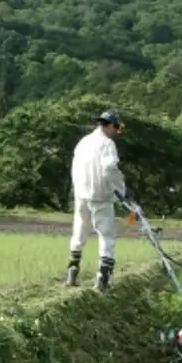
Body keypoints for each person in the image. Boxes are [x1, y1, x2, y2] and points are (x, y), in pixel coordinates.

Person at [66, 110, 127, 291]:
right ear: (109, 125)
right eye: (116, 127)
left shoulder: (83, 142)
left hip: (81, 194)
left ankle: (72, 272)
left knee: (79, 232)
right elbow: (109, 168)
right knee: (106, 235)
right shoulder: (107, 144)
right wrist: (121, 189)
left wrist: (77, 190)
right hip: (101, 196)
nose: (116, 131)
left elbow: (75, 168)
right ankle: (102, 277)